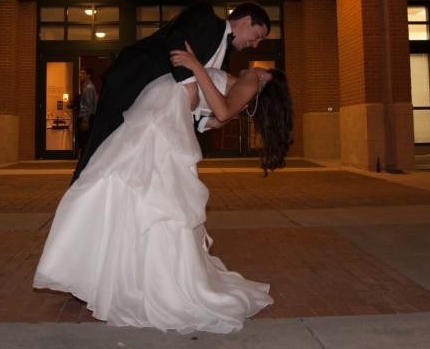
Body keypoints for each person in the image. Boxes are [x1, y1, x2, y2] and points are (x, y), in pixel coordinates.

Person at [33, 43, 293, 333]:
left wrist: (195, 67)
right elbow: (214, 118)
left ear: (266, 80)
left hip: (161, 114)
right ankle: (136, 278)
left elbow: (220, 109)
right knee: (137, 189)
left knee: (119, 181)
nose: (256, 68)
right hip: (165, 111)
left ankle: (121, 276)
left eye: (263, 71)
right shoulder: (246, 91)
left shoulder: (253, 81)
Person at [72, 2, 271, 182]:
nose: (255, 44)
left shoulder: (223, 60)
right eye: (258, 36)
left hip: (152, 111)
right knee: (98, 151)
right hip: (132, 85)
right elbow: (176, 38)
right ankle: (77, 208)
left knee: (124, 166)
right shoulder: (205, 15)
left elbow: (190, 102)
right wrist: (191, 84)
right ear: (246, 20)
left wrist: (204, 121)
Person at [75, 67, 97, 157]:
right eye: (80, 73)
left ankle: (85, 157)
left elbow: (88, 105)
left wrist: (85, 119)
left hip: (86, 117)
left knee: (84, 138)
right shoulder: (86, 85)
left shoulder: (88, 87)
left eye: (83, 73)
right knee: (84, 138)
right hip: (86, 116)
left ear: (88, 75)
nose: (80, 75)